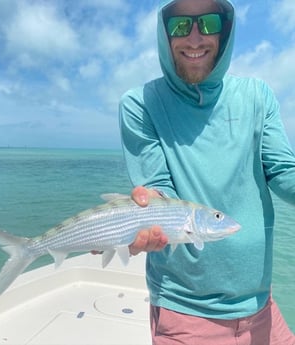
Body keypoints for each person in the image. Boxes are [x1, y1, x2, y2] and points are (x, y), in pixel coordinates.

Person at [118, 0, 295, 344]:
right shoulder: (140, 104)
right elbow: (158, 190)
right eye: (181, 26)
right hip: (186, 313)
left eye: (209, 22)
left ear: (225, 28)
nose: (196, 38)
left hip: (263, 308)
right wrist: (142, 214)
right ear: (164, 32)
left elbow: (284, 171)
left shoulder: (258, 95)